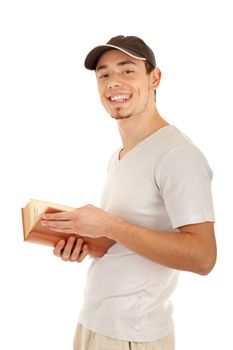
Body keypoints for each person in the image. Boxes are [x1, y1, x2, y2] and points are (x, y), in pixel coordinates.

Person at [41, 35, 217, 350]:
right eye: (104, 75)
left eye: (127, 71)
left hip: (132, 336)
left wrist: (109, 225)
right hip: (94, 324)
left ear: (155, 78)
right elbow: (128, 238)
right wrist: (86, 242)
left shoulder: (178, 155)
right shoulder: (120, 156)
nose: (113, 82)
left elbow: (203, 257)